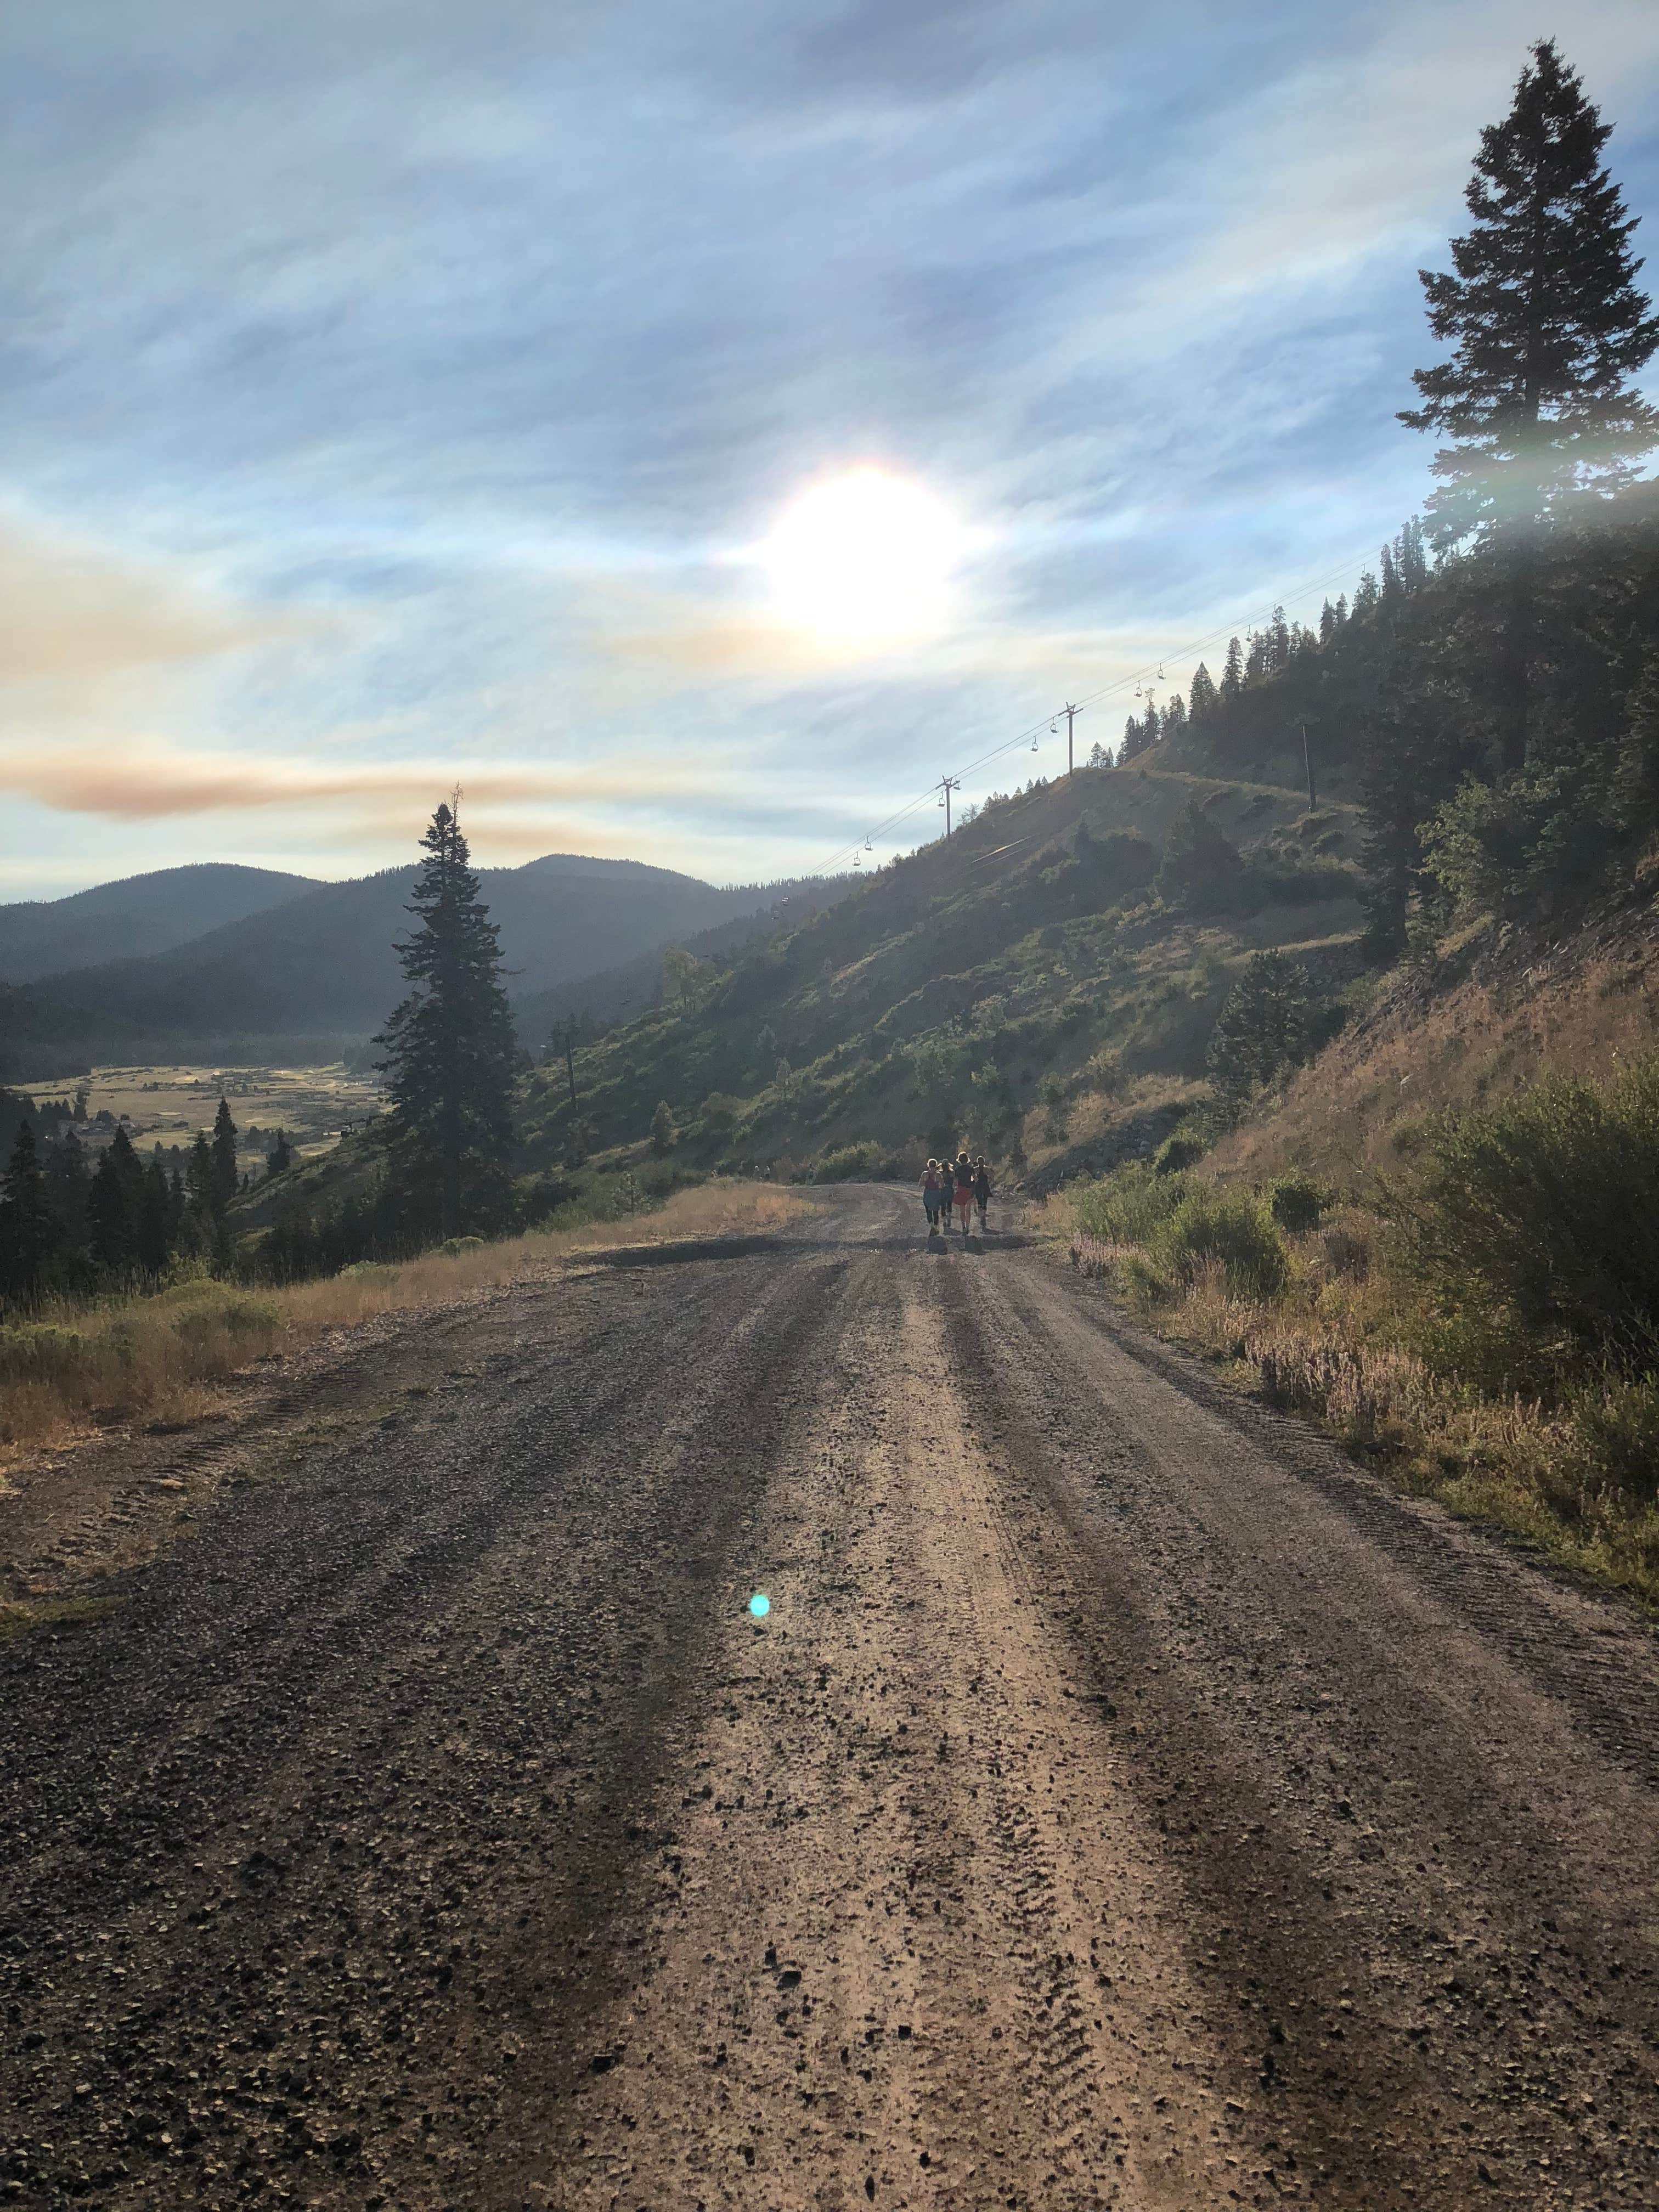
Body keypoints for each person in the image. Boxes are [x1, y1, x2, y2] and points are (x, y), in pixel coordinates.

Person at [953, 1151, 974, 1233]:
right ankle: (968, 1227)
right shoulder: (970, 1169)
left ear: (960, 1160)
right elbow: (975, 1179)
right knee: (968, 1209)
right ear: (967, 1160)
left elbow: (956, 1182)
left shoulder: (957, 1170)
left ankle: (963, 1227)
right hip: (969, 1189)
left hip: (961, 1189)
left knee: (962, 1210)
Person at [921, 1159, 943, 1232]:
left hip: (928, 1193)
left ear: (928, 1165)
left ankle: (931, 1225)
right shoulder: (938, 1175)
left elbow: (920, 1184)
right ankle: (936, 1227)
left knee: (928, 1210)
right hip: (936, 1193)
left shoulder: (925, 1174)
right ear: (936, 1166)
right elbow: (942, 1185)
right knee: (936, 1211)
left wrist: (926, 1182)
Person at [974, 1158, 991, 1231]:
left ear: (977, 1162)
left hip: (978, 1186)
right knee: (985, 1201)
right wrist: (989, 1182)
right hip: (985, 1186)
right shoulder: (986, 1169)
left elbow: (973, 1178)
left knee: (979, 1202)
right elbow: (992, 1176)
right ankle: (983, 1215)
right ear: (984, 1162)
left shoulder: (975, 1169)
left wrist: (975, 1181)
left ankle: (981, 1216)